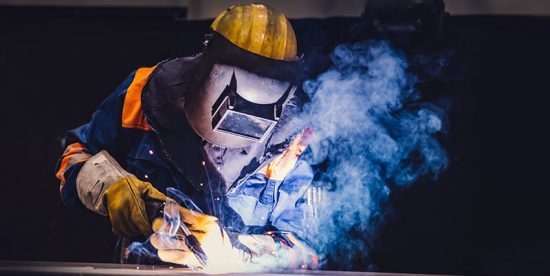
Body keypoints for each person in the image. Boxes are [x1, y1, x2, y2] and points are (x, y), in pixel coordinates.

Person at [55, 3, 317, 270]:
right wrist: (114, 189)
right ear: (207, 58)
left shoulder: (294, 141)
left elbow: (309, 249)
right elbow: (74, 158)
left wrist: (237, 253)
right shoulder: (142, 93)